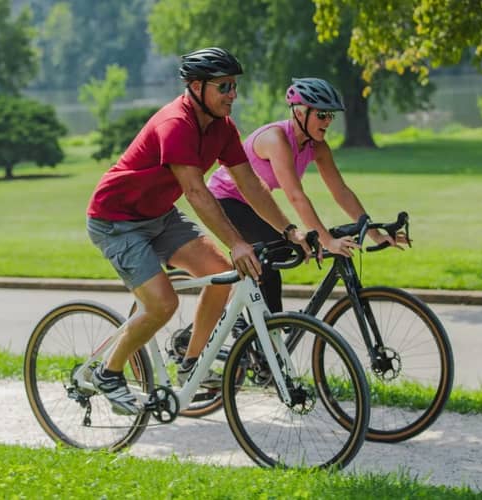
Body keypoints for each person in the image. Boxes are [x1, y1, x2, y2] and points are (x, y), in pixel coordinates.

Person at [86, 48, 310, 415]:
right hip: (116, 220)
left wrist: (288, 231)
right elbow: (195, 191)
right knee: (163, 304)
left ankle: (191, 364)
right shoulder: (175, 123)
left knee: (218, 275)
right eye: (224, 86)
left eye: (234, 86)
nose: (232, 94)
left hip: (158, 215)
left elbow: (251, 185)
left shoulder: (222, 128)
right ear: (195, 87)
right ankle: (109, 373)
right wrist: (237, 242)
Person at [207, 77, 402, 314]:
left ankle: (245, 319)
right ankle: (263, 330)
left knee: (277, 253)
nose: (328, 121)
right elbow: (295, 195)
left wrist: (374, 234)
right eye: (322, 115)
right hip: (225, 198)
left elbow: (340, 191)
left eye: (331, 115)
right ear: (300, 113)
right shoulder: (276, 139)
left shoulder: (317, 146)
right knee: (275, 252)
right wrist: (327, 240)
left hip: (255, 202)